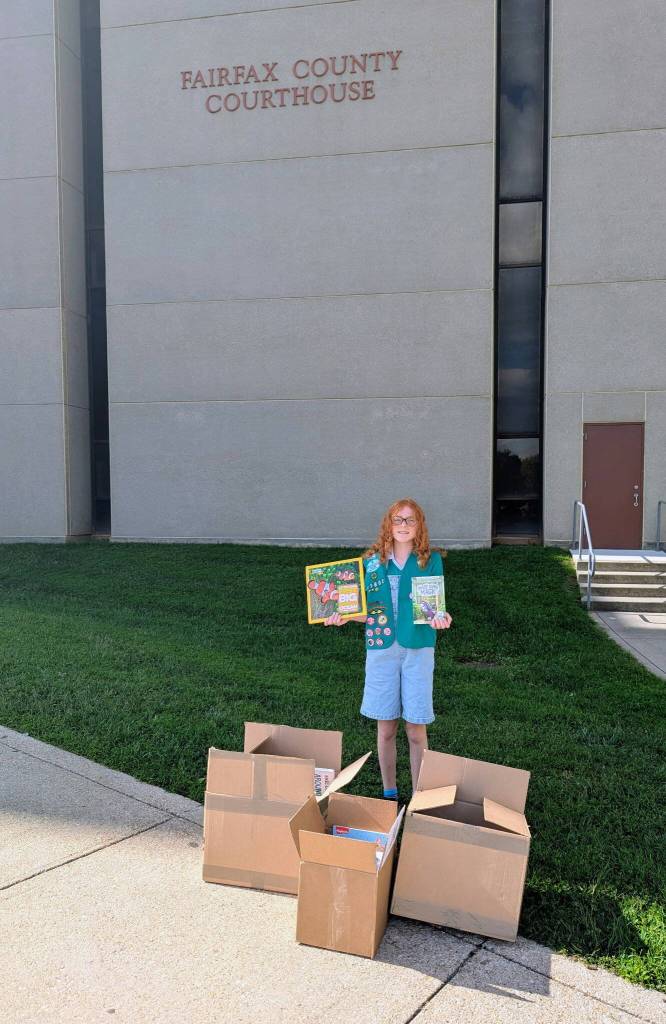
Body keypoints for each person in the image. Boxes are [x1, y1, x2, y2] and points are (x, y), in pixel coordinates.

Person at [325, 498, 452, 798]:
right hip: (381, 649)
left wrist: (441, 618)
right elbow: (369, 610)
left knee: (416, 729)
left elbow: (433, 608)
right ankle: (389, 793)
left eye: (410, 520)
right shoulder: (372, 562)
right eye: (398, 519)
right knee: (386, 729)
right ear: (388, 524)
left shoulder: (430, 560)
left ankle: (419, 797)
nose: (403, 525)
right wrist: (346, 615)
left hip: (418, 649)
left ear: (419, 525)